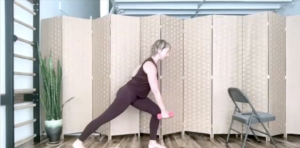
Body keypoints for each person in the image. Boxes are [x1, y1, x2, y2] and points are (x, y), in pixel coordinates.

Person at [72, 39, 171, 148]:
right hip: (127, 94)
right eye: (166, 52)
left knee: (155, 111)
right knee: (104, 118)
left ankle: (152, 143)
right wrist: (163, 110)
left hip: (137, 96)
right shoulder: (150, 66)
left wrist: (160, 110)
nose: (168, 55)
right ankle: (79, 141)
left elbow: (133, 74)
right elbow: (155, 90)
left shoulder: (147, 62)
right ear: (159, 50)